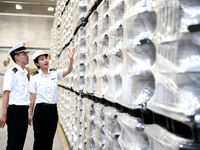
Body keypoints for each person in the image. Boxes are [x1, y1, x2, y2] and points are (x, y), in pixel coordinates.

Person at [29, 48, 75, 150]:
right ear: (37, 64)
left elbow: (68, 71)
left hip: (53, 111)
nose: (45, 60)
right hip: (40, 111)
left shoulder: (54, 73)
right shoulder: (34, 77)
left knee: (49, 141)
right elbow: (32, 96)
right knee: (39, 141)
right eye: (41, 59)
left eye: (46, 58)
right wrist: (30, 113)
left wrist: (71, 59)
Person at [0, 41, 30, 150]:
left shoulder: (24, 73)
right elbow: (6, 93)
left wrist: (27, 113)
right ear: (16, 57)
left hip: (22, 112)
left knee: (19, 144)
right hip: (15, 112)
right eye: (24, 54)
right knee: (14, 145)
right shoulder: (12, 72)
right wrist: (3, 114)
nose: (27, 56)